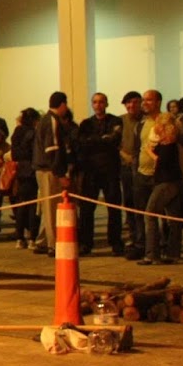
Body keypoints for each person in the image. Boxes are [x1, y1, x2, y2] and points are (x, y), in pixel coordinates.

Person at [74, 92, 123, 256]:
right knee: (87, 209)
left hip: (110, 171)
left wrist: (94, 140)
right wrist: (102, 139)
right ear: (92, 104)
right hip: (91, 171)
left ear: (106, 104)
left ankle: (116, 242)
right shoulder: (86, 124)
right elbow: (82, 143)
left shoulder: (115, 121)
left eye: (101, 102)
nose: (98, 105)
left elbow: (114, 140)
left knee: (114, 208)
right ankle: (86, 243)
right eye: (95, 102)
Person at [140, 118, 183, 266]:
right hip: (171, 182)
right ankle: (173, 253)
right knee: (174, 219)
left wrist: (148, 152)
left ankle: (152, 254)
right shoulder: (165, 144)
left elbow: (161, 161)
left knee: (150, 214)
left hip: (166, 182)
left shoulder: (170, 145)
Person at [34, 92, 74, 256]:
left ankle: (43, 240)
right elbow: (52, 150)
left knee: (47, 206)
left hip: (43, 168)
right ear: (62, 104)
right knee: (51, 208)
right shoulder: (52, 120)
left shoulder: (45, 120)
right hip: (49, 170)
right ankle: (54, 244)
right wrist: (60, 174)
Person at [117, 91, 145, 260]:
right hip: (126, 168)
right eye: (128, 103)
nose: (131, 106)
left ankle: (144, 241)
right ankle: (133, 238)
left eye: (135, 102)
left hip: (143, 168)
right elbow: (115, 143)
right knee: (129, 204)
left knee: (143, 206)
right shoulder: (120, 121)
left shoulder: (146, 121)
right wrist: (124, 154)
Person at [9, 108, 41, 249]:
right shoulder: (34, 133)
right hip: (32, 171)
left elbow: (14, 153)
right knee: (33, 205)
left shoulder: (17, 132)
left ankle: (19, 237)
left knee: (21, 204)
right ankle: (32, 238)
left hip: (21, 171)